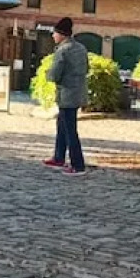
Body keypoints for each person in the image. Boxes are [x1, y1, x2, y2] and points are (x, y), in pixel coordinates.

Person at [42, 17, 89, 175]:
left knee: (69, 130)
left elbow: (55, 73)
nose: (53, 36)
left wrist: (48, 74)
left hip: (66, 94)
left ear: (61, 34)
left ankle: (78, 164)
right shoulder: (81, 48)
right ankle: (58, 157)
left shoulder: (62, 50)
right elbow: (86, 68)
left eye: (54, 33)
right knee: (62, 126)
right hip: (77, 92)